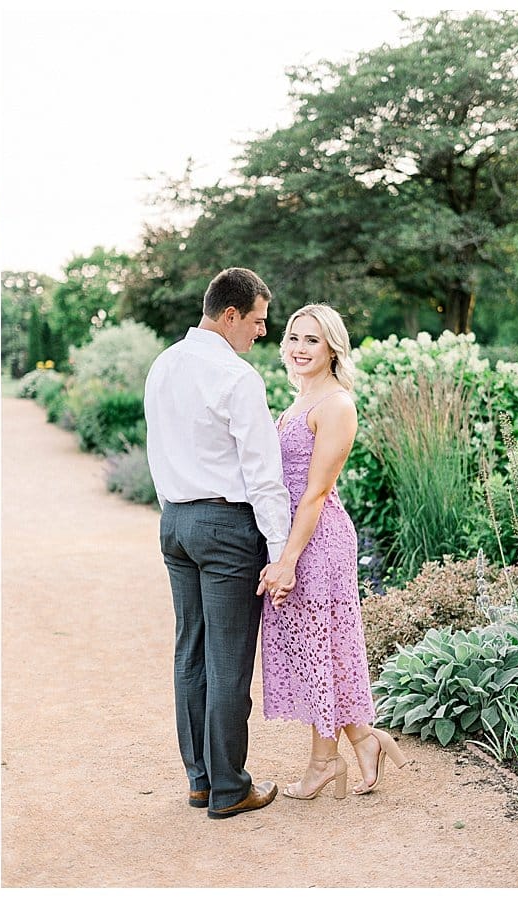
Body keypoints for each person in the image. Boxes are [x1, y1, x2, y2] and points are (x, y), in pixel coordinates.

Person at [143, 267, 294, 820]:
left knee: (191, 654)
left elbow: (158, 448)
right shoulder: (235, 376)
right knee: (229, 663)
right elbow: (263, 475)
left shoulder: (162, 365)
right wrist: (281, 553)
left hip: (176, 522)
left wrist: (176, 514)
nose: (261, 333)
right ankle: (230, 788)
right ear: (230, 315)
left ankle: (201, 781)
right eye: (256, 322)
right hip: (226, 527)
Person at [258, 304, 409, 799]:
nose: (300, 348)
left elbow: (317, 492)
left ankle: (326, 759)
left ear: (332, 349)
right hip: (298, 538)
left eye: (313, 341)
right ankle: (363, 739)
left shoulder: (337, 404)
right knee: (321, 649)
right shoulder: (300, 398)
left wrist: (287, 560)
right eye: (295, 338)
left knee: (320, 648)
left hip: (319, 542)